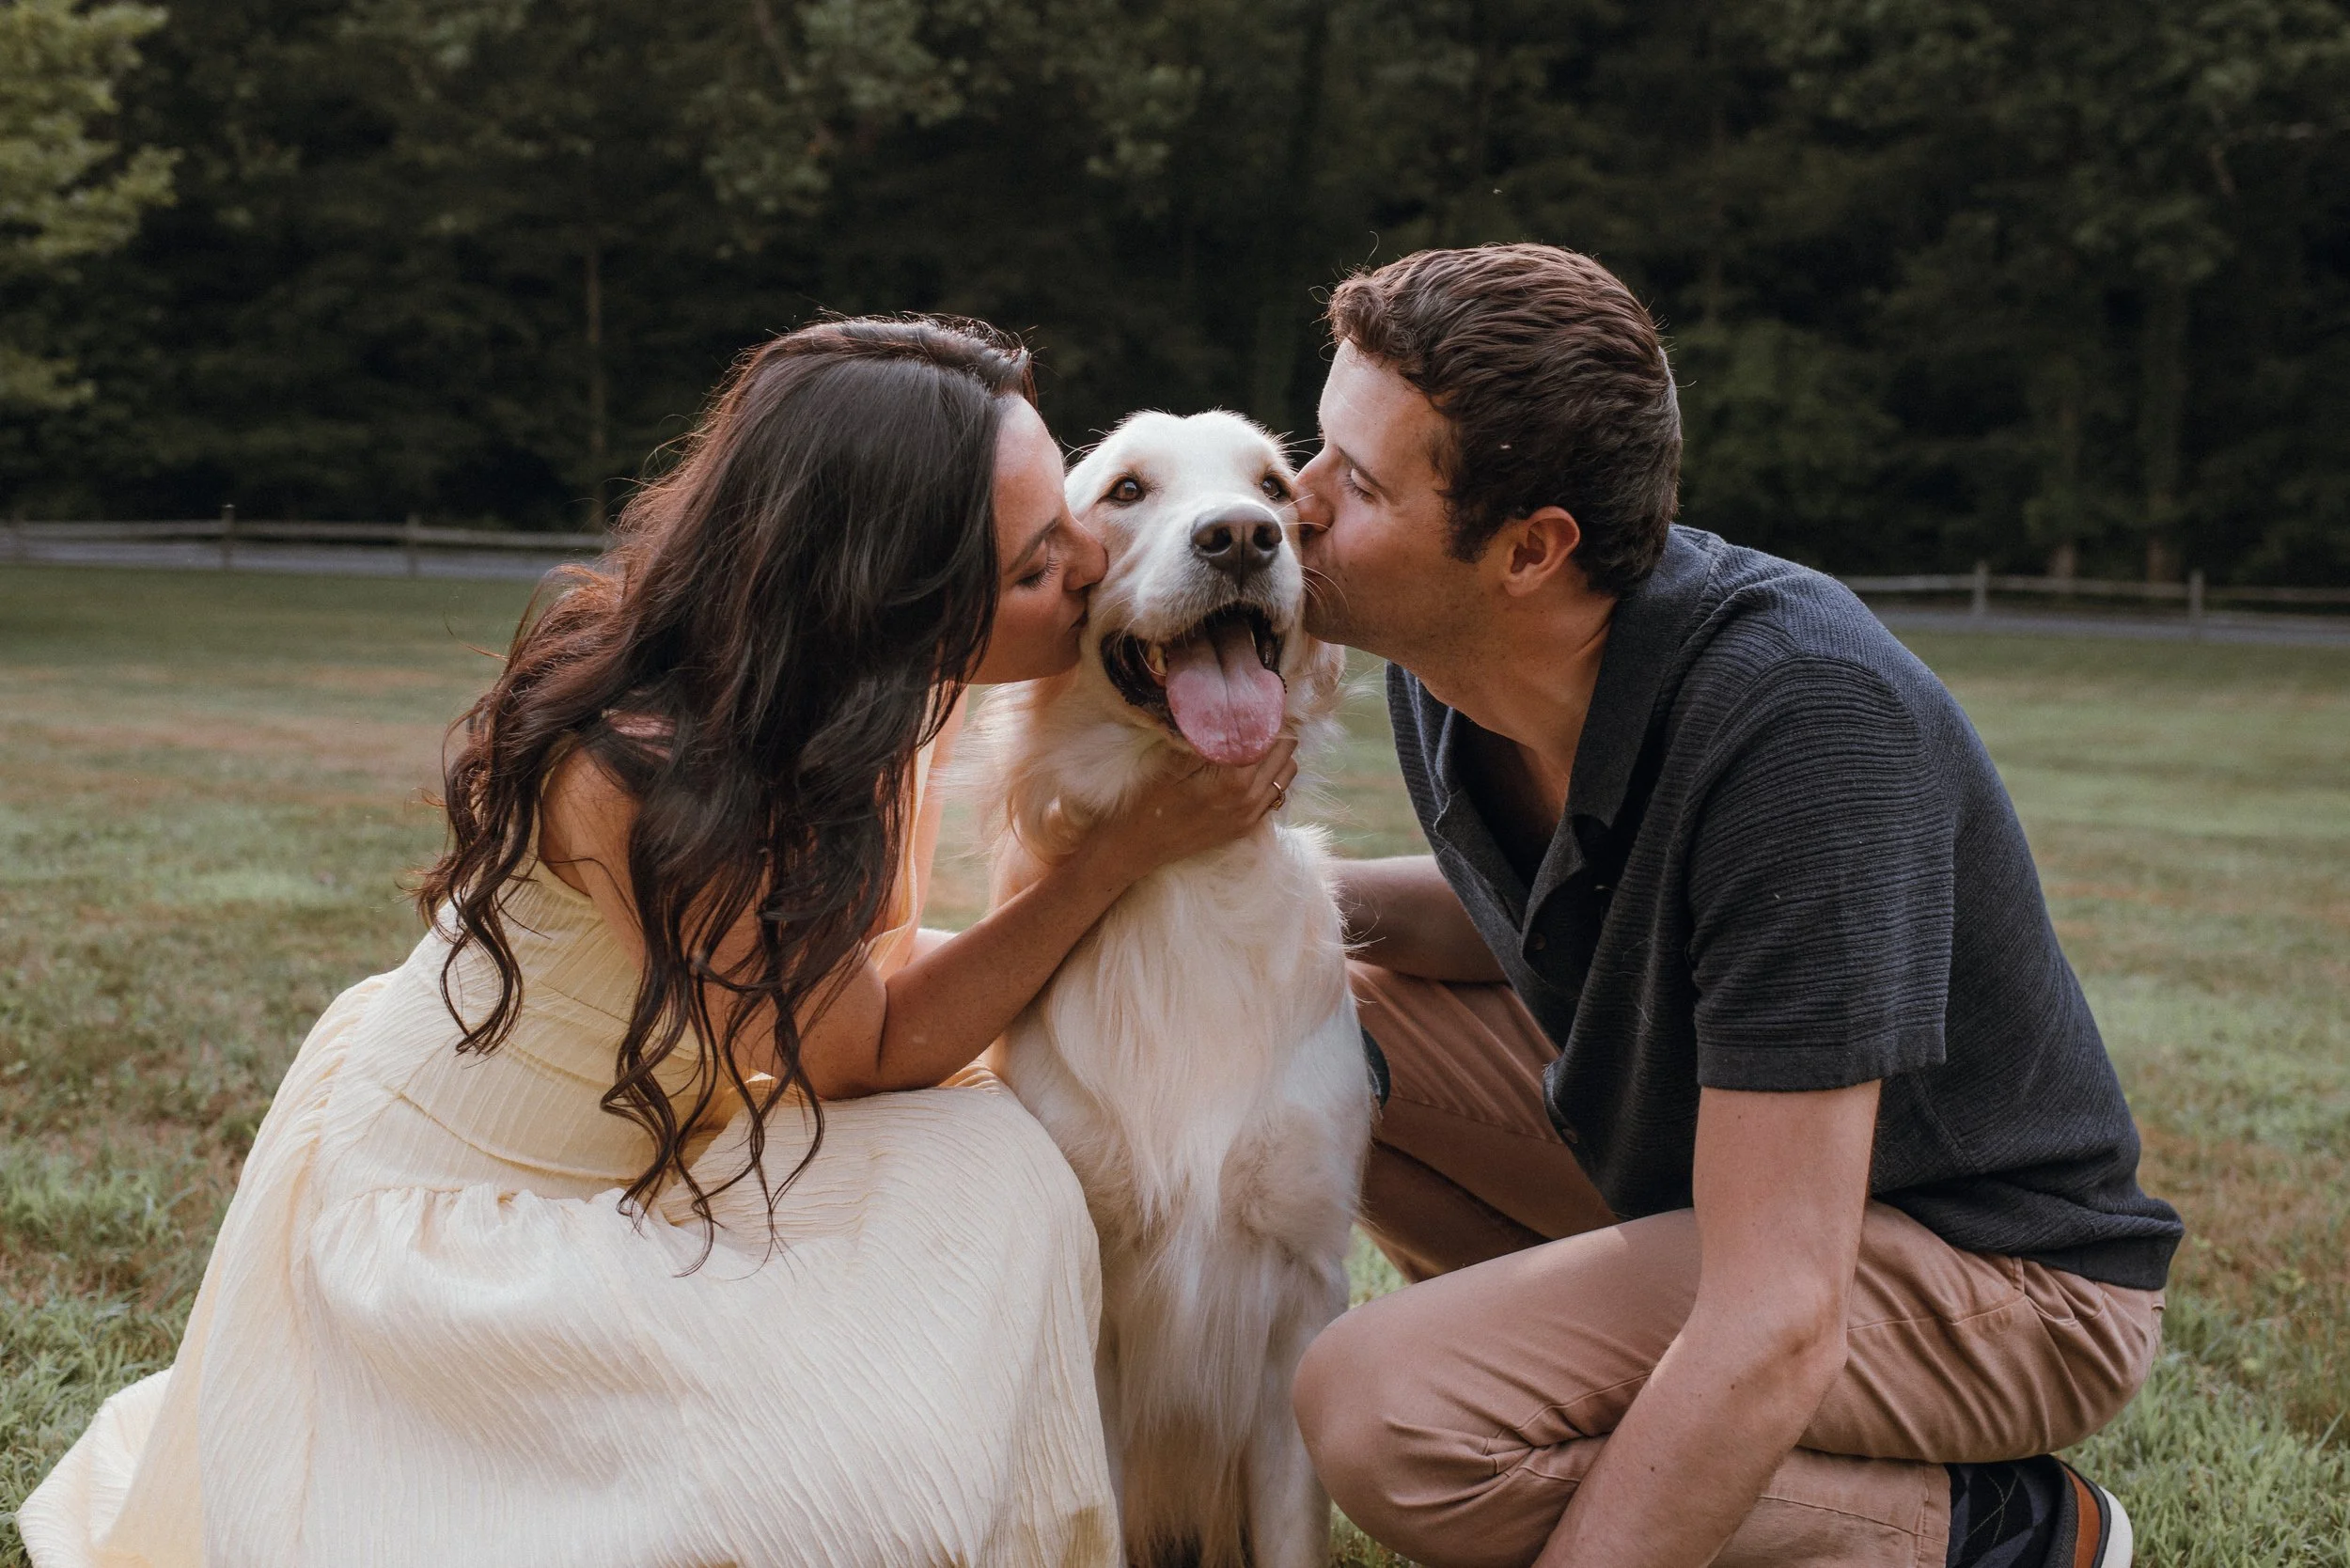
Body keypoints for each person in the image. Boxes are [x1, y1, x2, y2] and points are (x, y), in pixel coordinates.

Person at [19, 317, 1298, 1568]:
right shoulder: (654, 767)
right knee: (970, 1227)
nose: (1085, 572)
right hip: (490, 1225)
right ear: (893, 597)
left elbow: (871, 963)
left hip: (679, 1133)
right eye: (1037, 565)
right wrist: (1119, 859)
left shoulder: (866, 699)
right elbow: (872, 1042)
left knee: (989, 1160)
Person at [1284, 245, 2181, 1568]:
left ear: (1529, 551)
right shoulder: (1450, 667)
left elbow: (1779, 1303)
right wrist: (1229, 898)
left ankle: (2003, 1534)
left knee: (1383, 1417)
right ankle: (1586, 1408)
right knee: (1303, 1034)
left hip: (2000, 1274)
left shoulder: (1802, 725)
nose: (1293, 503)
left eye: (1353, 483)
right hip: (1708, 1186)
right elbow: (1525, 913)